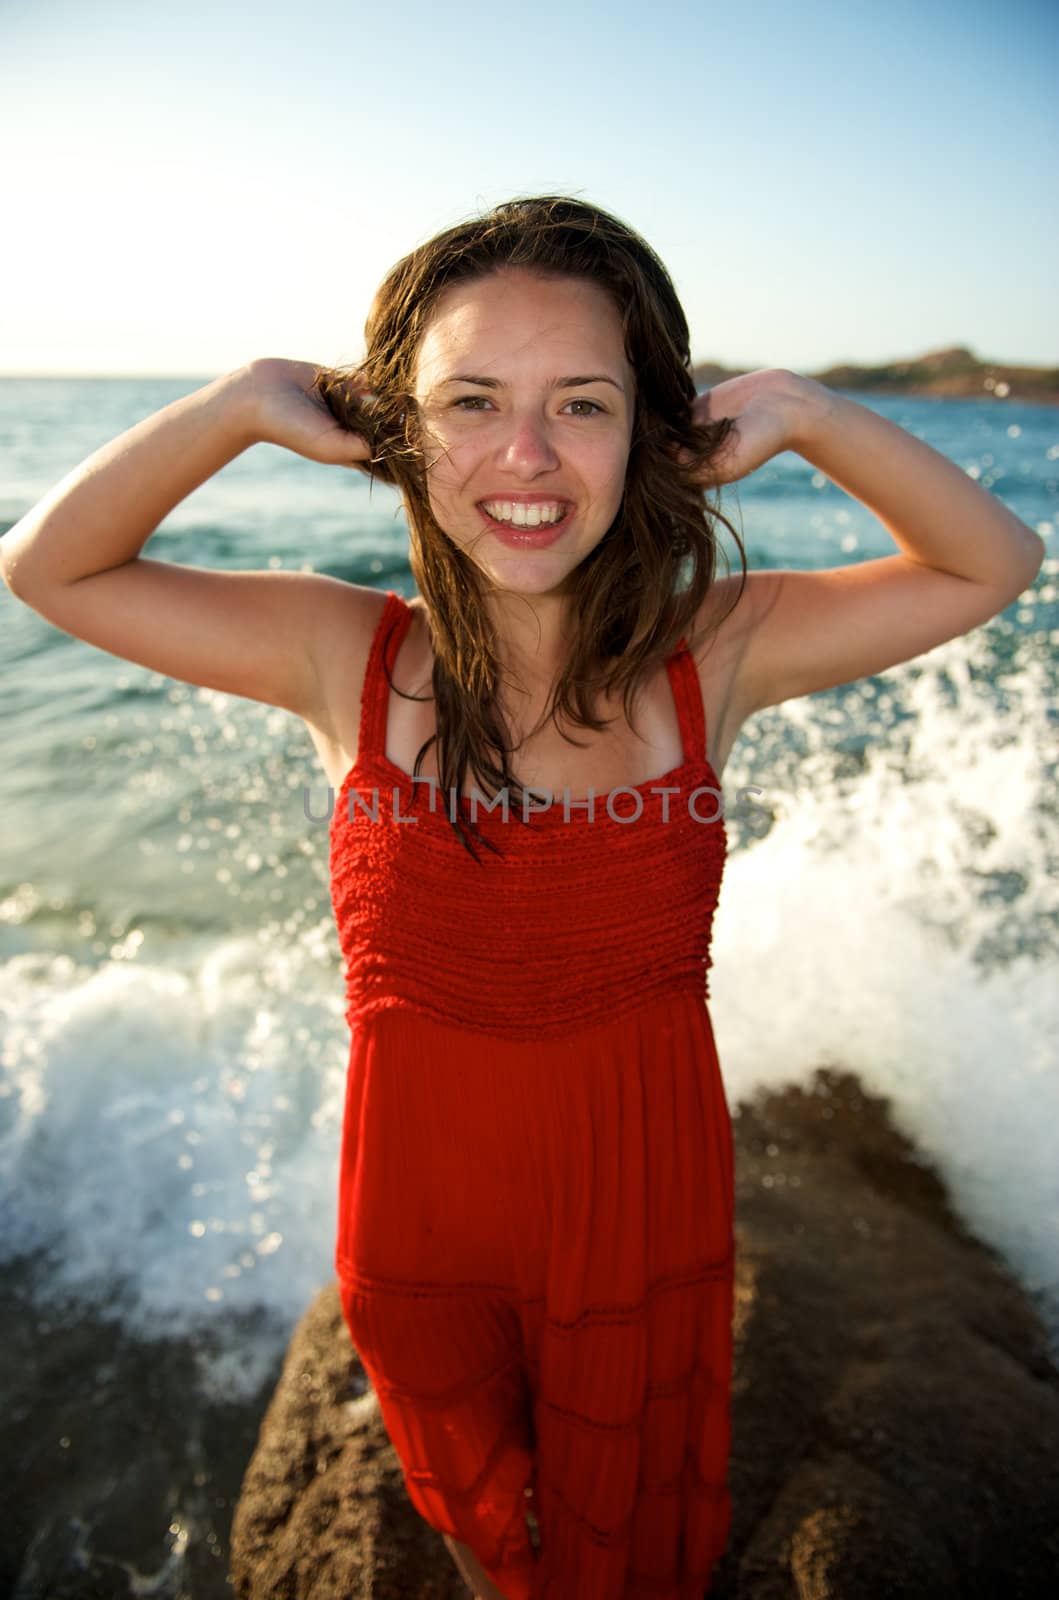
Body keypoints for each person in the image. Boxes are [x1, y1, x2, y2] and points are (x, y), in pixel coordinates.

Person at [0, 195, 1043, 1599]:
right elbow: (46, 566)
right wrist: (240, 403)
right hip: (417, 1229)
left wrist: (800, 408)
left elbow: (995, 561)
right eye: (473, 400)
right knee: (488, 1538)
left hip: (644, 1214)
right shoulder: (341, 652)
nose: (528, 455)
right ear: (399, 432)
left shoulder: (714, 649)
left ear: (653, 432)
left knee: (630, 1554)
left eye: (586, 405)